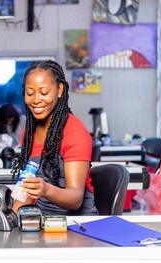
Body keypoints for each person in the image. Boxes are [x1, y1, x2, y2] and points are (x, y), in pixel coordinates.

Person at [11, 60, 98, 216]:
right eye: (30, 93)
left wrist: (45, 189)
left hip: (79, 224)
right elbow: (27, 192)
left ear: (59, 90)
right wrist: (10, 219)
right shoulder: (29, 133)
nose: (36, 99)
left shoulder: (75, 132)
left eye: (44, 92)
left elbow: (76, 199)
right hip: (45, 219)